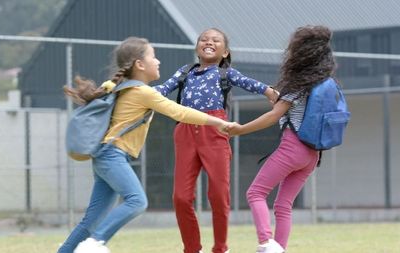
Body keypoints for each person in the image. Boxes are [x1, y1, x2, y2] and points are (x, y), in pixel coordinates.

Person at [58, 36, 234, 253]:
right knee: (137, 201)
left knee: (91, 221)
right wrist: (216, 121)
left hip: (105, 156)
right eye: (153, 56)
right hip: (113, 155)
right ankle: (95, 243)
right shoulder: (142, 92)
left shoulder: (124, 88)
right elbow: (179, 111)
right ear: (140, 65)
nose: (158, 61)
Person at [154, 28, 278, 253]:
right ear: (197, 47)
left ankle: (220, 248)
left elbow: (249, 82)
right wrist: (135, 93)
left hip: (215, 131)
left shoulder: (225, 73)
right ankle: (192, 248)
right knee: (181, 197)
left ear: (225, 52)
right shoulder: (184, 72)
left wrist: (269, 91)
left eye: (215, 40)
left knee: (219, 195)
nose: (208, 42)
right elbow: (161, 90)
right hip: (185, 132)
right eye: (204, 39)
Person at [225, 25, 336, 253]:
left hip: (292, 148)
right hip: (312, 154)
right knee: (283, 205)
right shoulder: (325, 84)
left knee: (255, 193)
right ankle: (280, 248)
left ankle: (266, 242)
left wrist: (241, 129)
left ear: (299, 53)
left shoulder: (298, 83)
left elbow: (273, 115)